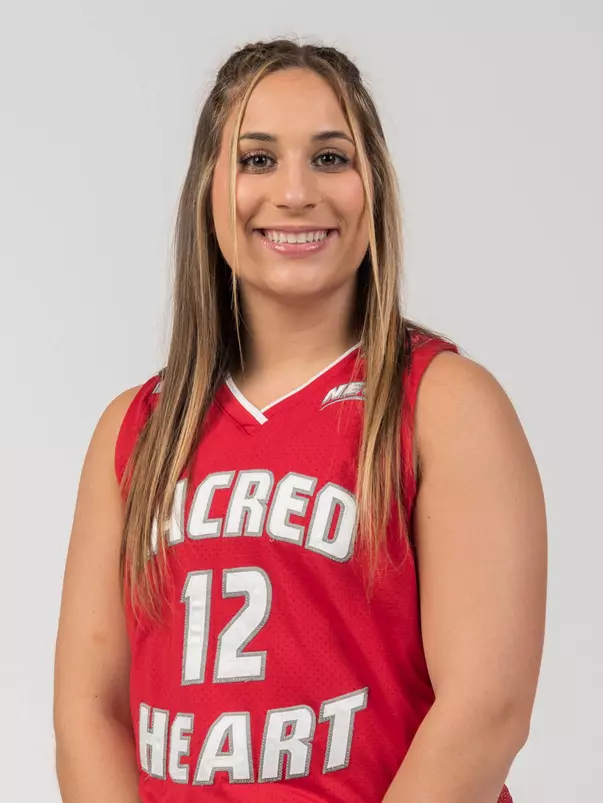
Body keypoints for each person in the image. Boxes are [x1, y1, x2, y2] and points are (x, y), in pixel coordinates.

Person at [53, 39, 547, 803]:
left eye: (329, 158)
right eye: (256, 159)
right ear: (208, 191)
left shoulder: (442, 403)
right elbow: (90, 709)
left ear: (372, 187)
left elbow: (486, 708)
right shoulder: (138, 429)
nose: (293, 193)